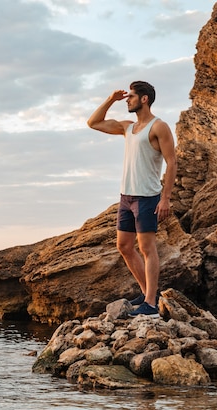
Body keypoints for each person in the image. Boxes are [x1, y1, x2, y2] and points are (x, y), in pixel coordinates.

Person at [87, 81, 177, 317]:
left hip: (147, 196)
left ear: (144, 99)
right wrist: (110, 99)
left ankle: (150, 304)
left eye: (132, 96)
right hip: (126, 196)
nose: (127, 100)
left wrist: (165, 198)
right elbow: (93, 122)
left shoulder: (159, 127)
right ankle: (148, 293)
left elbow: (172, 162)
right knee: (124, 246)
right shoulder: (128, 127)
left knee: (147, 248)